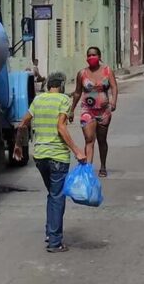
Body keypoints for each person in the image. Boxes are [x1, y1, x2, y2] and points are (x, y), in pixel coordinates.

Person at [13, 72, 86, 253]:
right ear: (61, 85)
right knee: (57, 196)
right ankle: (54, 241)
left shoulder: (38, 100)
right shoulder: (63, 100)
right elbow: (61, 126)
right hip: (57, 157)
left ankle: (49, 232)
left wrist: (17, 145)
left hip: (40, 157)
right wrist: (77, 150)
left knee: (53, 194)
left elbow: (23, 123)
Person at [70, 47, 118, 177]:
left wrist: (113, 102)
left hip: (104, 111)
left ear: (99, 56)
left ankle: (103, 166)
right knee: (89, 139)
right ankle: (88, 170)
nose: (91, 57)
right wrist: (71, 110)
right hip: (87, 110)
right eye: (89, 55)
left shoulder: (107, 71)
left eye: (94, 55)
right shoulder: (82, 74)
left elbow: (114, 87)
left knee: (102, 140)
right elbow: (77, 92)